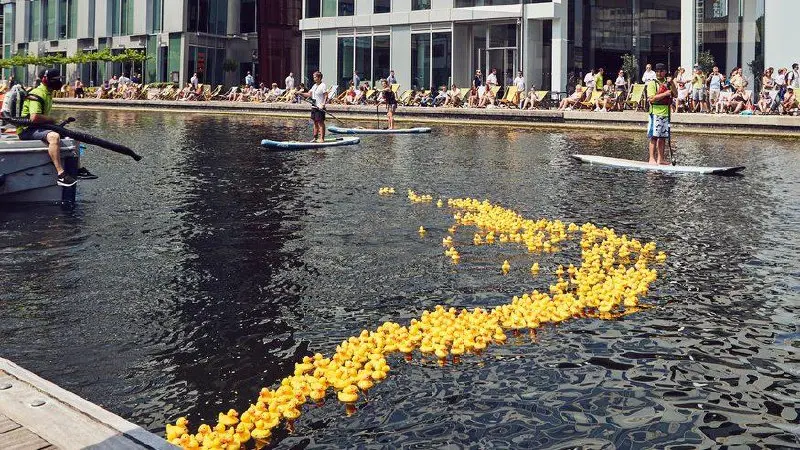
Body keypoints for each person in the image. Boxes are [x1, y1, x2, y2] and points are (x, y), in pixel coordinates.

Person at [15, 69, 90, 186]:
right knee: (54, 137)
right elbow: (34, 118)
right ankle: (61, 175)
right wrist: (52, 120)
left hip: (39, 127)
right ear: (45, 80)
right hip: (27, 130)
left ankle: (77, 169)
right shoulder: (37, 93)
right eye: (56, 80)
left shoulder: (48, 93)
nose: (59, 82)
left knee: (74, 135)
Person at [646, 63, 672, 165]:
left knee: (662, 137)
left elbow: (676, 94)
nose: (659, 73)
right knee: (654, 136)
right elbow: (651, 98)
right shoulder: (652, 83)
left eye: (661, 71)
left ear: (665, 72)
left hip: (666, 113)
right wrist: (665, 94)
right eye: (657, 71)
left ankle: (660, 159)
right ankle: (651, 158)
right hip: (655, 113)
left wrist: (672, 84)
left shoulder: (668, 83)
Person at [302, 71, 327, 142]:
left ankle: (322, 138)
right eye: (314, 77)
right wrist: (300, 93)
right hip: (314, 106)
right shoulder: (314, 85)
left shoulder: (323, 85)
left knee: (320, 122)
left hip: (320, 107)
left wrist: (323, 104)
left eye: (315, 77)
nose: (314, 78)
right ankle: (315, 138)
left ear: (319, 77)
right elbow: (309, 94)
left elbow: (325, 95)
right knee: (315, 122)